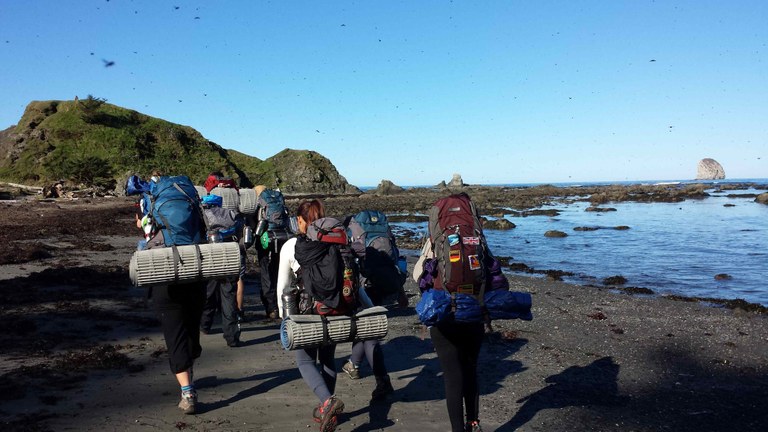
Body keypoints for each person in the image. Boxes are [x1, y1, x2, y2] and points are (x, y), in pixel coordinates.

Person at [135, 171, 206, 415]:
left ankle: (188, 392)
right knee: (191, 330)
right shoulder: (191, 198)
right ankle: (189, 366)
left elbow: (145, 230)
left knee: (174, 333)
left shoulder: (149, 201)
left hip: (164, 271)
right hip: (194, 268)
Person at [275, 199, 344, 432]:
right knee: (327, 359)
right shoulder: (336, 239)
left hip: (308, 312)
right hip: (336, 309)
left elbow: (283, 285)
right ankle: (328, 412)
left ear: (302, 221)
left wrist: (286, 320)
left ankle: (327, 402)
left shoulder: (292, 245)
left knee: (304, 360)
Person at [199, 195, 243, 348]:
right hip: (229, 256)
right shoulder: (230, 215)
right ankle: (231, 337)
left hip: (210, 257)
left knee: (209, 293)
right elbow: (241, 236)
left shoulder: (203, 216)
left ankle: (204, 326)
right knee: (228, 296)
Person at [251, 184, 289, 320]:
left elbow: (254, 223)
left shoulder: (259, 201)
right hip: (281, 237)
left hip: (265, 240)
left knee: (266, 273)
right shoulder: (277, 197)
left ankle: (271, 307)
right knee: (279, 272)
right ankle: (282, 305)